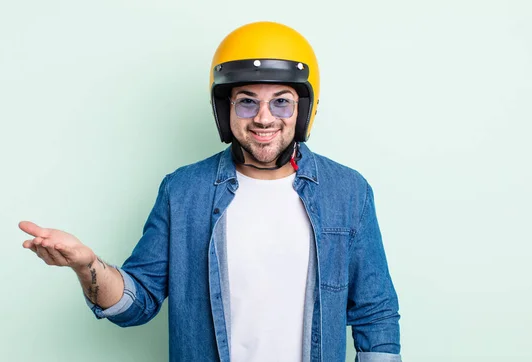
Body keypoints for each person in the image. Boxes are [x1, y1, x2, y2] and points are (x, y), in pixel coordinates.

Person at [20, 21, 401, 362]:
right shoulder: (183, 191)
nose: (264, 117)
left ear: (303, 108)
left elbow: (376, 312)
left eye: (281, 102)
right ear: (225, 109)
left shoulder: (348, 192)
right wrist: (86, 265)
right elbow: (138, 304)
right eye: (247, 101)